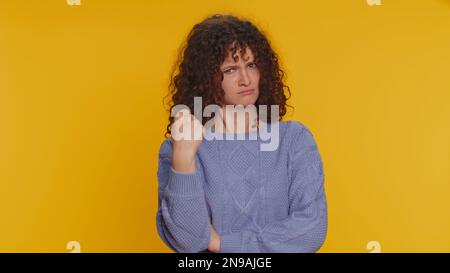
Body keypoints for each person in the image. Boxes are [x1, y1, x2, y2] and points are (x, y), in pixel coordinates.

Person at [156, 14, 327, 253]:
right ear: (206, 78)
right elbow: (189, 242)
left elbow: (311, 230)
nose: (245, 79)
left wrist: (221, 244)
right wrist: (184, 160)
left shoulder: (293, 139)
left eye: (251, 65)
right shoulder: (178, 150)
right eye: (230, 69)